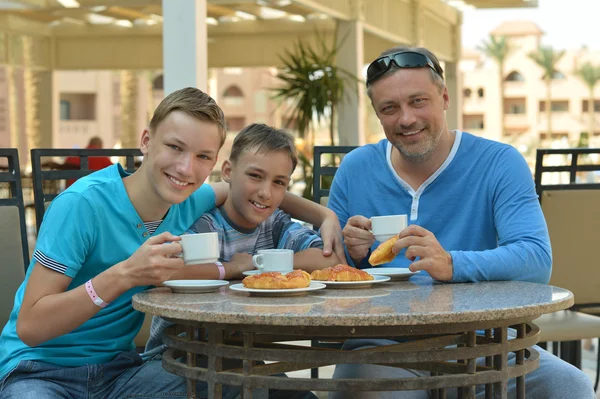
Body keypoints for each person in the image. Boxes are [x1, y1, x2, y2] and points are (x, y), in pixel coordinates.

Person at [0, 87, 342, 399]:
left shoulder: (188, 199)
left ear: (214, 164)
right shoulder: (82, 205)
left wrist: (325, 217)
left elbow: (258, 193)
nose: (186, 168)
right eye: (175, 147)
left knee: (245, 377)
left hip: (121, 374)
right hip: (40, 372)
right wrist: (124, 275)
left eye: (202, 157)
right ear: (147, 141)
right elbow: (31, 327)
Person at [326, 46, 595, 398]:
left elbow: (536, 260)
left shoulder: (499, 162)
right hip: (380, 349)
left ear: (444, 97)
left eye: (418, 101)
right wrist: (352, 255)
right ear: (377, 114)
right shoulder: (355, 170)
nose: (406, 119)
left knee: (568, 385)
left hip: (489, 345)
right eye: (389, 108)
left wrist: (452, 264)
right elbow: (327, 278)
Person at [145, 122, 342, 356]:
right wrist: (233, 268)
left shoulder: (274, 223)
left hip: (242, 355)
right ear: (228, 171)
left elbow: (328, 260)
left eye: (278, 182)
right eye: (255, 176)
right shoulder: (206, 224)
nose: (265, 192)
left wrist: (257, 263)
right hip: (178, 355)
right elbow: (164, 272)